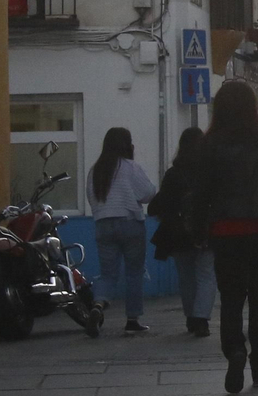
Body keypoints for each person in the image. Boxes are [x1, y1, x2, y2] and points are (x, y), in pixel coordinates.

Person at [192, 81, 258, 394]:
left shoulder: (209, 144)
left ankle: (235, 351)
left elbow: (200, 193)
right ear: (253, 107)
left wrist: (199, 229)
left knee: (231, 298)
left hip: (225, 234)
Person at [87, 126, 157, 333]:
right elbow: (148, 193)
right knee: (134, 273)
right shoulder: (130, 167)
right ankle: (132, 321)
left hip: (103, 225)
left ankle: (98, 305)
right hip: (130, 224)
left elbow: (92, 198)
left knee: (107, 274)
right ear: (127, 144)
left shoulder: (95, 170)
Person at [148, 127, 212, 337]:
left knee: (186, 278)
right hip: (206, 231)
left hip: (179, 234)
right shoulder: (209, 172)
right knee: (206, 276)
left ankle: (191, 319)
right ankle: (202, 319)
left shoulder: (173, 173)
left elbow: (161, 204)